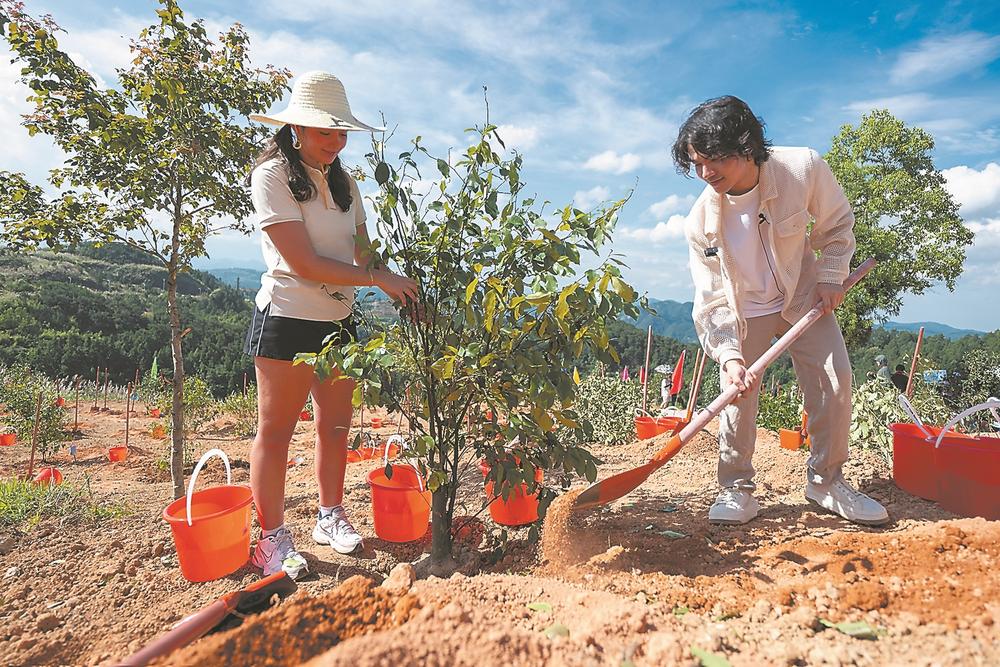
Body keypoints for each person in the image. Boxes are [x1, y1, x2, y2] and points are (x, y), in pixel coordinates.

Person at [672, 95, 888, 527]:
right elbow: (712, 296)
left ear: (746, 146)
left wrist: (830, 275)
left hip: (803, 297)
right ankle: (736, 488)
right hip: (743, 311)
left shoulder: (801, 169)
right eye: (696, 163)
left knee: (835, 378)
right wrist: (730, 356)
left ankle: (826, 481)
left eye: (714, 160)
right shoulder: (700, 222)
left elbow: (837, 222)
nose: (705, 173)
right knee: (737, 396)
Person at [244, 71, 419, 578]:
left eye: (341, 133)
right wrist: (378, 279)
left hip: (338, 321)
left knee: (335, 426)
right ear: (296, 128)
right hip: (288, 316)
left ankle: (329, 515)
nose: (336, 142)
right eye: (326, 132)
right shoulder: (273, 176)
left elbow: (362, 249)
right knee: (275, 433)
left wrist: (392, 278)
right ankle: (272, 538)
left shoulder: (346, 182)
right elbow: (302, 262)